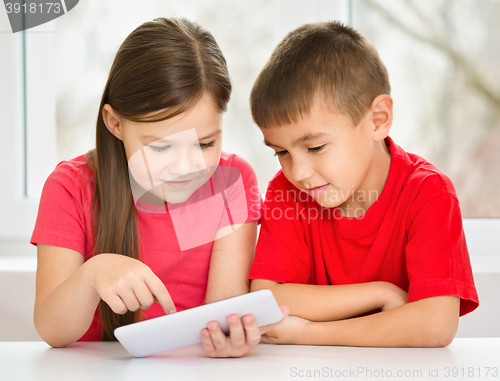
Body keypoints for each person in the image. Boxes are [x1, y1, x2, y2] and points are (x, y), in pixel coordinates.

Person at [31, 17, 287, 358]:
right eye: (161, 147)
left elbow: (224, 308)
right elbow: (52, 331)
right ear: (115, 123)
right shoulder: (70, 186)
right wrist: (92, 274)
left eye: (205, 143)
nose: (186, 167)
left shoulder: (233, 181)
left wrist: (229, 336)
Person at [248, 21, 479, 347]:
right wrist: (379, 293)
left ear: (378, 120)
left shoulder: (428, 193)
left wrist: (306, 332)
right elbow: (266, 298)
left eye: (315, 147)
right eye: (281, 152)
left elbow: (436, 323)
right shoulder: (287, 192)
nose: (298, 171)